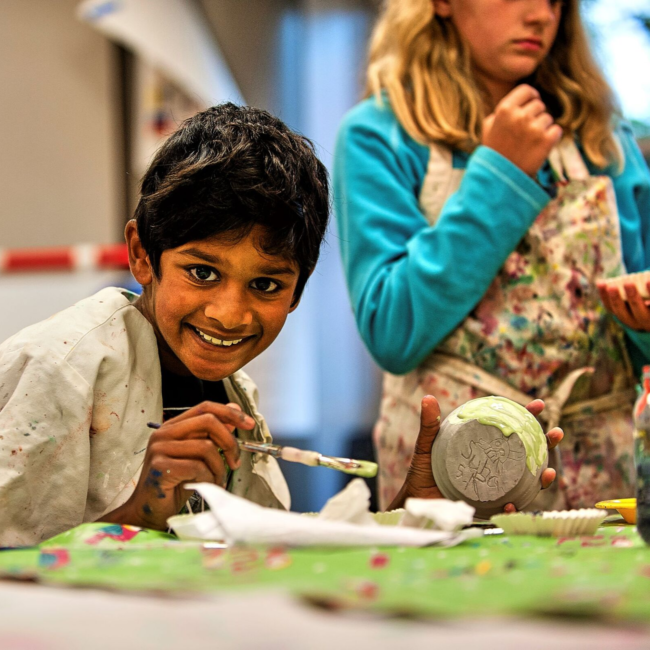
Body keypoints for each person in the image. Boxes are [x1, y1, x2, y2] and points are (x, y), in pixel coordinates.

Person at [334, 0, 650, 510]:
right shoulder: (381, 134)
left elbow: (638, 340)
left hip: (603, 479)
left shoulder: (603, 140)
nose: (541, 15)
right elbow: (392, 329)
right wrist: (501, 173)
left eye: (555, 1)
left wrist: (641, 321)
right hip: (454, 473)